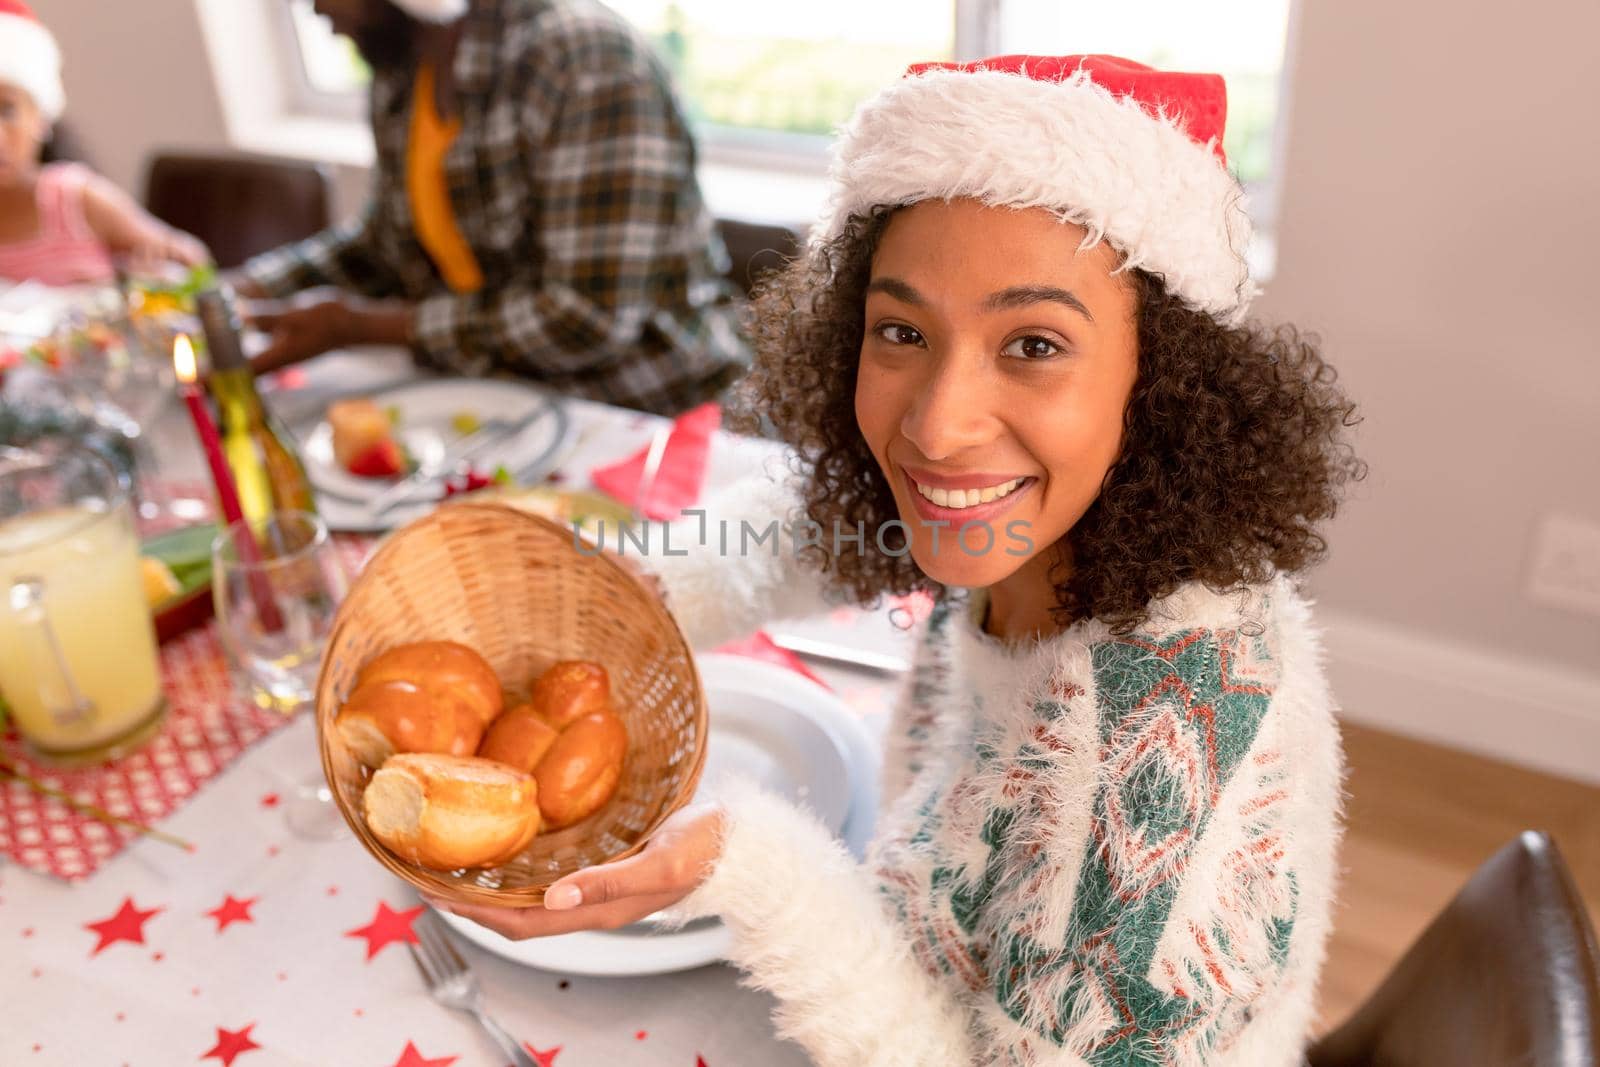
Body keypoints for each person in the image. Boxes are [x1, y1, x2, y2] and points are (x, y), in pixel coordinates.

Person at [437, 55, 1366, 1064]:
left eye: (1034, 344)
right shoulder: (1036, 523)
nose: (936, 423)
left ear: (1165, 380)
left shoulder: (1168, 761)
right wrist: (618, 595)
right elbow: (796, 523)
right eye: (900, 331)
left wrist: (745, 866)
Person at [234, 0, 749, 416]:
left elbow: (586, 318)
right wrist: (245, 290)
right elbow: (384, 244)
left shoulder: (586, 60)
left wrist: (360, 327)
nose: (313, 8)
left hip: (650, 415)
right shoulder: (403, 70)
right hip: (503, 405)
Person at [0, 0, 208, 286]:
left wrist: (158, 267)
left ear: (41, 118)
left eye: (7, 111)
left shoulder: (76, 198)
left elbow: (192, 260)